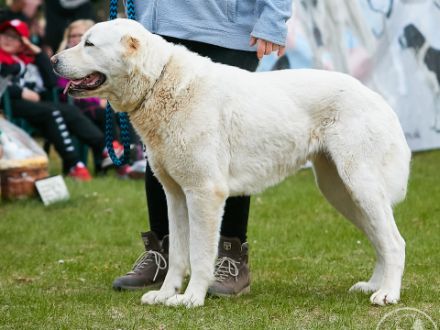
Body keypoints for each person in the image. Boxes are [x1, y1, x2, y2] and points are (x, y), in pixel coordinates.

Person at [113, 0, 292, 297]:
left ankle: (232, 255)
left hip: (225, 28)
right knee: (159, 143)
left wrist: (274, 18)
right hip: (154, 28)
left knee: (228, 147)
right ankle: (164, 253)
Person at [0, 19, 105, 180]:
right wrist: (19, 91)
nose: (8, 39)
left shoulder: (27, 62)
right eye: (5, 35)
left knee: (67, 110)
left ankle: (97, 150)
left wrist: (38, 53)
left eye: (15, 37)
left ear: (23, 43)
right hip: (9, 104)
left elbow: (51, 82)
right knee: (54, 111)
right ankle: (77, 162)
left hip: (36, 106)